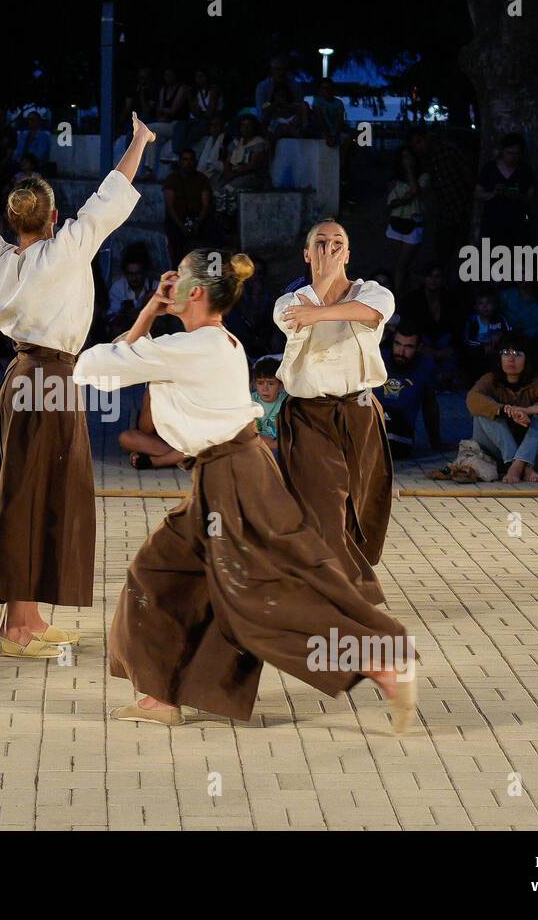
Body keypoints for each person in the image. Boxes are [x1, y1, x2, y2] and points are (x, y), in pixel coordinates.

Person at [74, 250, 415, 730]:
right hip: (225, 474)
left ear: (193, 292)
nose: (166, 285)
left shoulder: (192, 348)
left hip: (232, 476)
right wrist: (152, 309)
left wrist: (150, 311)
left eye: (176, 281)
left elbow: (94, 369)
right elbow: (118, 361)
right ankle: (159, 696)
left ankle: (376, 660)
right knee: (159, 573)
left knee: (255, 595)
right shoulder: (210, 342)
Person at [0, 114, 149, 658]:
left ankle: (30, 619)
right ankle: (17, 628)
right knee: (31, 495)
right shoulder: (68, 247)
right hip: (53, 378)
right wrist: (137, 140)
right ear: (55, 217)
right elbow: (114, 191)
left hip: (24, 377)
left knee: (35, 492)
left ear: (14, 223)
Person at [274, 219, 395, 568]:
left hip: (358, 409)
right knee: (322, 496)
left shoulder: (371, 291)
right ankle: (327, 578)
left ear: (349, 253)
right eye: (321, 243)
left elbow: (371, 313)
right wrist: (322, 281)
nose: (330, 249)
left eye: (337, 242)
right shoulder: (290, 300)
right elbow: (294, 319)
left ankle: (349, 572)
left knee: (360, 497)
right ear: (307, 254)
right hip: (308, 413)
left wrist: (319, 314)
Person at [466, 333, 538, 483]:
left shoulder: (537, 382)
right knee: (482, 411)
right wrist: (504, 410)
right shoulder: (491, 379)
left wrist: (528, 410)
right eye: (506, 353)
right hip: (498, 456)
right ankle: (519, 466)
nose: (511, 359)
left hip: (533, 457)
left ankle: (520, 463)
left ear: (527, 359)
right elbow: (472, 399)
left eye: (517, 354)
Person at [408, 127, 473, 281]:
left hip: (460, 208)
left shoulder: (447, 152)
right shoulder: (427, 160)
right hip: (444, 213)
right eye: (415, 145)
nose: (419, 147)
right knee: (445, 254)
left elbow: (467, 174)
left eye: (419, 142)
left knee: (462, 253)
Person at [375, 321, 442, 459]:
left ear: (419, 347)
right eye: (397, 344)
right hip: (373, 422)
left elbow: (430, 406)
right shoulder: (378, 358)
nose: (401, 352)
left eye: (409, 347)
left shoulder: (424, 366)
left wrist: (435, 442)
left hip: (400, 430)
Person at [399, 262, 466, 388]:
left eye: (437, 276)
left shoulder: (450, 299)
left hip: (445, 344)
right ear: (424, 278)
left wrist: (450, 347)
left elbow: (457, 326)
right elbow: (409, 326)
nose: (433, 280)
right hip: (422, 344)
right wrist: (423, 347)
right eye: (429, 276)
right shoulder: (412, 299)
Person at [476, 133, 537, 246]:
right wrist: (493, 194)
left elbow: (531, 197)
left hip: (517, 227)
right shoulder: (489, 169)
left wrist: (518, 196)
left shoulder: (525, 171)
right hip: (492, 225)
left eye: (516, 154)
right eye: (509, 153)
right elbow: (478, 193)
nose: (513, 157)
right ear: (502, 151)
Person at [385, 148, 430, 294]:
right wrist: (405, 199)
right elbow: (391, 203)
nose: (406, 160)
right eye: (403, 157)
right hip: (396, 222)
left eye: (409, 157)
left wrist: (409, 170)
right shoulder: (394, 180)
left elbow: (417, 191)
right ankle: (401, 293)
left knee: (402, 264)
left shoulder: (423, 177)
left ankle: (398, 296)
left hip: (414, 224)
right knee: (400, 264)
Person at [163, 148, 216, 265]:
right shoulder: (172, 179)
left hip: (198, 218)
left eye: (191, 160)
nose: (188, 163)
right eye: (185, 160)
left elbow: (206, 204)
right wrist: (182, 226)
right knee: (175, 239)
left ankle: (211, 272)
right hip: (177, 219)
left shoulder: (202, 179)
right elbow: (170, 207)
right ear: (180, 162)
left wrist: (198, 222)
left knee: (213, 235)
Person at [462, 286, 510, 381]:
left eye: (488, 303)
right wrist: (483, 347)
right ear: (476, 307)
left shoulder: (500, 319)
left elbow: (509, 334)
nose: (485, 306)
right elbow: (467, 340)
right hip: (479, 353)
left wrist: (500, 336)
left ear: (495, 305)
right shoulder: (473, 321)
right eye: (481, 303)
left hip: (496, 351)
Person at [255, 55, 306, 138]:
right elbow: (262, 111)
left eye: (283, 69)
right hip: (272, 123)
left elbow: (299, 105)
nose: (281, 72)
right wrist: (276, 104)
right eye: (278, 69)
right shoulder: (263, 86)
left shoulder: (295, 86)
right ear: (272, 70)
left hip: (292, 120)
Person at [251, 356, 286, 453]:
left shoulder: (286, 401)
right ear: (254, 384)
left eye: (271, 384)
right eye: (260, 383)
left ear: (281, 385)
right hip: (257, 446)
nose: (265, 389)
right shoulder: (250, 401)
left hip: (280, 447)